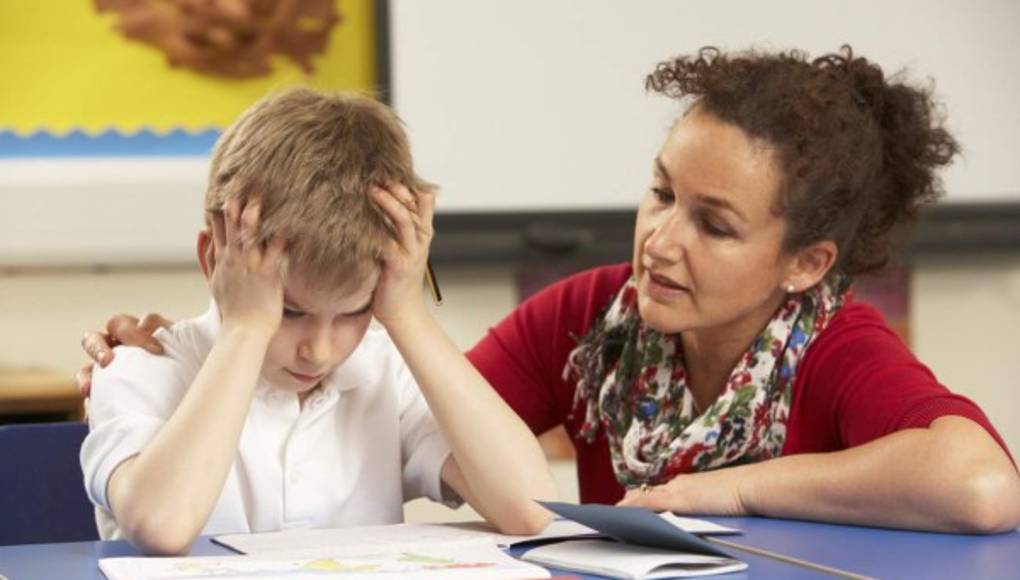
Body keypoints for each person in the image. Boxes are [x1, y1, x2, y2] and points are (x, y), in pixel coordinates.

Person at [78, 47, 1020, 534]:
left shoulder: (836, 345)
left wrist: (719, 492)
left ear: (805, 262)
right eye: (659, 194)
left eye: (714, 223)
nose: (660, 240)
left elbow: (980, 483)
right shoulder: (588, 318)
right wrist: (239, 334)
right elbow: (453, 421)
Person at [78, 88, 555, 555]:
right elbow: (162, 526)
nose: (318, 350)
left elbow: (533, 511)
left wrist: (408, 314)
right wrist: (247, 328)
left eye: (353, 312)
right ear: (214, 260)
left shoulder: (386, 372)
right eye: (288, 311)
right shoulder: (139, 366)